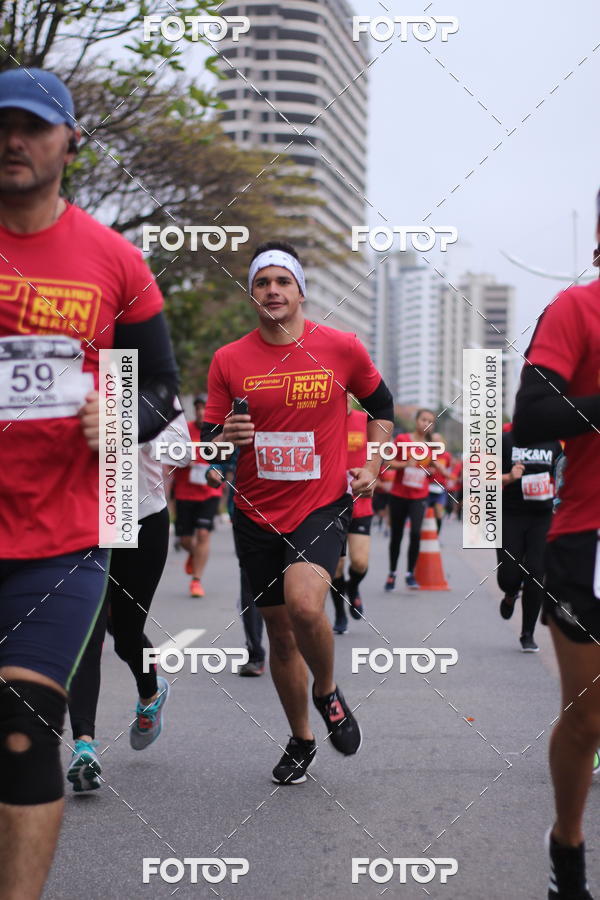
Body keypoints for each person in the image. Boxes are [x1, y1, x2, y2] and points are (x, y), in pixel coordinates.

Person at [0, 68, 179, 898]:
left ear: (70, 142)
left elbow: (160, 393)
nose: (13, 140)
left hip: (60, 542)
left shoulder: (116, 261)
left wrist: (116, 412)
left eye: (33, 126)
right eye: (2, 125)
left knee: (24, 733)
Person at [202, 241, 394, 784]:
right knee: (280, 635)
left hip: (320, 502)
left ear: (301, 291)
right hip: (256, 509)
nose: (272, 291)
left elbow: (382, 407)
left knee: (306, 605)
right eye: (262, 283)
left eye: (282, 281)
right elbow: (209, 439)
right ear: (252, 295)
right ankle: (301, 739)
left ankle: (328, 690)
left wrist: (373, 463)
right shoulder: (229, 359)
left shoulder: (341, 348)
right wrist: (224, 439)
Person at [512, 190, 600, 900]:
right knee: (589, 719)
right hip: (588, 538)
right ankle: (567, 845)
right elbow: (532, 416)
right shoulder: (577, 311)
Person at [66, 413, 191, 791]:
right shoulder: (70, 378)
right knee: (86, 631)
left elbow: (182, 451)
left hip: (142, 520)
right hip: (83, 522)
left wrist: (131, 426)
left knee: (126, 633)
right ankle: (83, 744)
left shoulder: (151, 383)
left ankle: (151, 693)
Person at [496, 423, 561, 653]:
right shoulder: (505, 440)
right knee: (508, 576)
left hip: (541, 517)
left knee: (535, 573)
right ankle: (510, 593)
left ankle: (527, 633)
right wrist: (509, 476)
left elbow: (562, 474)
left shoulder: (553, 443)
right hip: (511, 515)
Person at [384, 409, 444, 591]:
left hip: (419, 496)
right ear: (416, 421)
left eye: (430, 421)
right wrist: (405, 464)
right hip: (399, 494)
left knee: (416, 534)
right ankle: (392, 573)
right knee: (397, 534)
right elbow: (388, 462)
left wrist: (432, 471)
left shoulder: (431, 445)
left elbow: (432, 467)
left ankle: (410, 573)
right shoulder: (403, 440)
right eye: (423, 419)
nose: (426, 423)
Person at [330, 396, 374, 634]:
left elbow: (377, 454)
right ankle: (339, 613)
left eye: (345, 395)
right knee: (335, 566)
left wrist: (371, 472)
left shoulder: (364, 420)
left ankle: (353, 587)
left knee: (359, 561)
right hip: (330, 504)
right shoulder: (323, 420)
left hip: (360, 503)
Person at [174, 393, 223, 598]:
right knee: (185, 540)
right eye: (198, 408)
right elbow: (170, 455)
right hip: (185, 492)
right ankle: (195, 555)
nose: (202, 412)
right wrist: (186, 459)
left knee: (203, 533)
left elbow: (226, 456)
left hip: (209, 492)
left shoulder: (217, 430)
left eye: (206, 408)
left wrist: (217, 471)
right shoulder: (184, 430)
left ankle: (196, 581)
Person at [426, 432, 451, 533]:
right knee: (425, 513)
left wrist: (445, 474)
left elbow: (448, 470)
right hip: (426, 486)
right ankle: (424, 535)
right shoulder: (426, 454)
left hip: (440, 487)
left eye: (438, 441)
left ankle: (436, 536)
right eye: (434, 441)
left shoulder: (446, 455)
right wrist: (427, 471)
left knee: (438, 512)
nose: (436, 443)